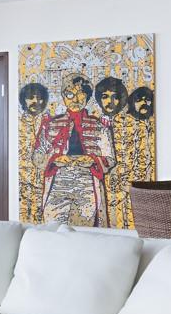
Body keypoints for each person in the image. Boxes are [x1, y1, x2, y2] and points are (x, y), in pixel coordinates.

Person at [32, 75, 114, 226]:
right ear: (63, 97)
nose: (75, 99)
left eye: (81, 94)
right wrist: (55, 159)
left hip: (88, 180)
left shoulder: (99, 126)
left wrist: (92, 160)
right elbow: (37, 156)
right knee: (53, 226)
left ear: (87, 96)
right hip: (58, 181)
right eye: (69, 94)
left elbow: (110, 158)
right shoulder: (50, 125)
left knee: (86, 228)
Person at [94, 77, 130, 227]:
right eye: (105, 96)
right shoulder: (94, 123)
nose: (110, 101)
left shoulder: (129, 124)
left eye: (115, 97)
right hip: (102, 179)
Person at [16, 83, 49, 223]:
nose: (36, 102)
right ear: (24, 100)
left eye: (40, 98)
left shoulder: (50, 123)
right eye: (31, 98)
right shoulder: (16, 124)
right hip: (22, 180)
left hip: (44, 180)